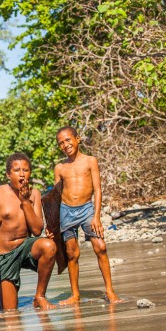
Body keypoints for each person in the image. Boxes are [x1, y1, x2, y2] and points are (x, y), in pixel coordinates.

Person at [54, 126, 121, 305]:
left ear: (78, 139)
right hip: (66, 211)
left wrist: (96, 216)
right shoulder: (60, 168)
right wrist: (53, 223)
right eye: (61, 143)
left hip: (87, 210)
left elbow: (98, 189)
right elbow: (55, 196)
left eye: (68, 140)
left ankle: (109, 291)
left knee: (100, 247)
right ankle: (75, 294)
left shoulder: (90, 161)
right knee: (71, 253)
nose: (65, 145)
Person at [0, 153, 57, 310]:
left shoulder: (34, 193)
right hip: (5, 254)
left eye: (26, 170)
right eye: (17, 170)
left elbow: (36, 230)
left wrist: (25, 201)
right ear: (8, 174)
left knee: (48, 246)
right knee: (9, 311)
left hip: (25, 247)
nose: (22, 174)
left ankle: (39, 296)